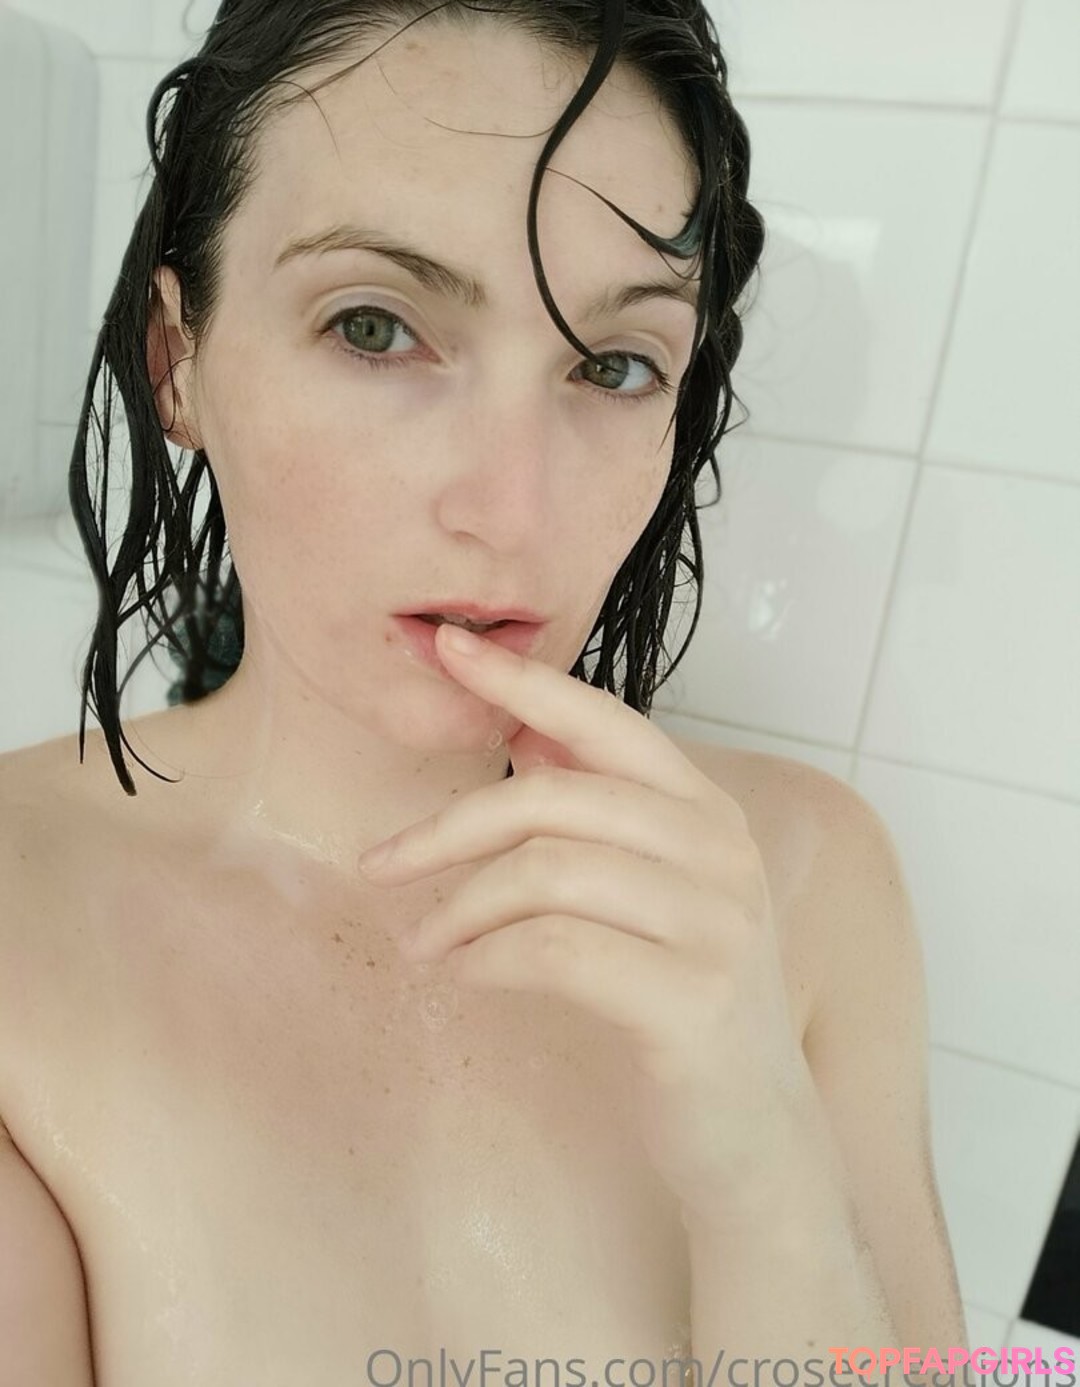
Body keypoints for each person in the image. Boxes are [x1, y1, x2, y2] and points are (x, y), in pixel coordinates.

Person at [0, 1, 968, 1382]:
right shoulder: (21, 929)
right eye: (375, 327)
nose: (513, 510)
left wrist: (761, 1153)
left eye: (614, 365)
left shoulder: (811, 886)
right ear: (179, 362)